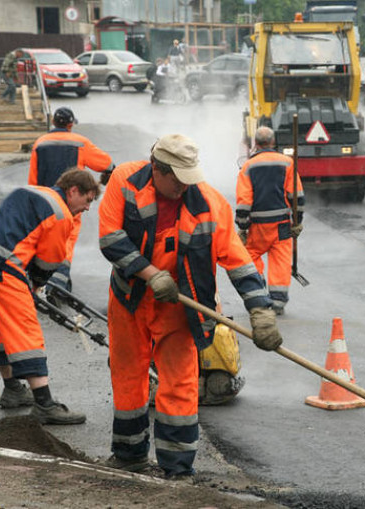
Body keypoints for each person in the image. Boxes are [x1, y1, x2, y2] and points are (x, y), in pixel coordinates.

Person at [98, 134, 282, 477]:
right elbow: (110, 238)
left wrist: (261, 310)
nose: (184, 187)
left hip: (180, 307)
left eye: (189, 179)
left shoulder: (210, 204)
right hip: (130, 299)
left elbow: (240, 262)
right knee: (128, 377)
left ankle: (177, 468)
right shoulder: (124, 180)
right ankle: (128, 455)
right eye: (177, 180)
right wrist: (151, 273)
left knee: (180, 385)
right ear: (157, 169)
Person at [0, 170, 101, 425]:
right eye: (88, 200)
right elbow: (49, 260)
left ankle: (14, 389)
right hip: (3, 268)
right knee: (25, 330)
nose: (88, 208)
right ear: (73, 191)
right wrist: (36, 285)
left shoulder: (30, 191)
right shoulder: (61, 214)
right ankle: (45, 404)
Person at [28, 107, 114, 293]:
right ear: (70, 124)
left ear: (53, 123)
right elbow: (106, 163)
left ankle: (39, 280)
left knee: (43, 240)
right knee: (65, 242)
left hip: (44, 201)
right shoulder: (80, 143)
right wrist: (109, 171)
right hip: (70, 202)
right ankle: (57, 284)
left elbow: (33, 179)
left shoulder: (40, 143)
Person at [235, 126, 305, 316]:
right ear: (273, 142)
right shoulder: (287, 163)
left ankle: (258, 297)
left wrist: (242, 226)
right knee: (281, 260)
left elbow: (244, 200)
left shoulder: (248, 167)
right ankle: (278, 302)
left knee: (252, 257)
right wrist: (297, 221)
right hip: (281, 224)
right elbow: (296, 195)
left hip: (257, 226)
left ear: (256, 143)